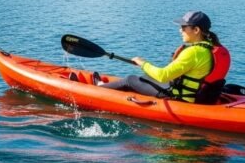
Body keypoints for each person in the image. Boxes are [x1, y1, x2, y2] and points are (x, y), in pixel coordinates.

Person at [97, 11, 230, 104]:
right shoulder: (213, 48)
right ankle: (108, 87)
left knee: (130, 79)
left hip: (183, 98)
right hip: (202, 96)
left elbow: (163, 76)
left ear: (196, 30)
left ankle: (98, 90)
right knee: (146, 78)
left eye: (184, 27)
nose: (180, 30)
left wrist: (142, 63)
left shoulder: (194, 52)